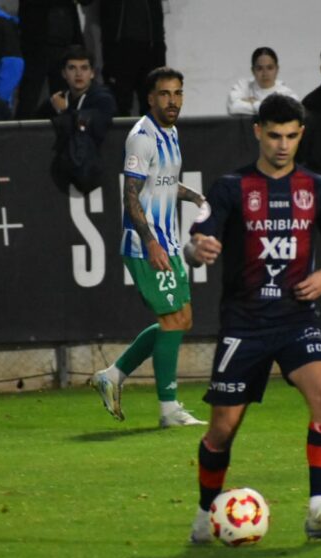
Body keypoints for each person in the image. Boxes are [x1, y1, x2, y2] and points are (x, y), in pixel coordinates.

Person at [184, 93, 321, 543]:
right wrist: (196, 249)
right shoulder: (229, 187)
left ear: (301, 135)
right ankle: (206, 513)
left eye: (292, 136)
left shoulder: (317, 187)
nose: (283, 145)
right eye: (275, 135)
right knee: (222, 430)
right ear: (258, 132)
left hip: (298, 320)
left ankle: (318, 508)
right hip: (244, 325)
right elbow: (196, 239)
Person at [90, 67, 207, 428]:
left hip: (167, 242)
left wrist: (195, 196)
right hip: (146, 246)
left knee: (181, 319)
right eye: (165, 94)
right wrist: (151, 242)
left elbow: (164, 184)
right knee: (171, 320)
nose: (172, 100)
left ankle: (113, 374)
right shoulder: (142, 137)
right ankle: (168, 409)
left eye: (178, 93)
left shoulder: (170, 133)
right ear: (151, 98)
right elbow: (131, 196)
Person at [37, 44, 115, 193]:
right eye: (72, 68)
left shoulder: (103, 98)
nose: (78, 74)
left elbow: (96, 125)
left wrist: (65, 110)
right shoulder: (57, 99)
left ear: (92, 73)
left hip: (97, 171)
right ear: (63, 73)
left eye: (84, 68)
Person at [14, 0, 92, 119]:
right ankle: (21, 136)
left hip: (66, 42)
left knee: (66, 98)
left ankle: (67, 134)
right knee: (29, 99)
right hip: (35, 42)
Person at [98, 0, 165, 117]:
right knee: (118, 106)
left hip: (152, 45)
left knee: (154, 106)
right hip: (119, 46)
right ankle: (120, 136)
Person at [227, 47, 299, 116]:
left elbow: (293, 109)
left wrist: (255, 103)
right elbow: (233, 107)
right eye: (259, 68)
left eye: (270, 68)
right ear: (253, 71)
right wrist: (271, 108)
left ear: (277, 69)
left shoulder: (286, 94)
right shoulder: (243, 86)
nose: (265, 73)